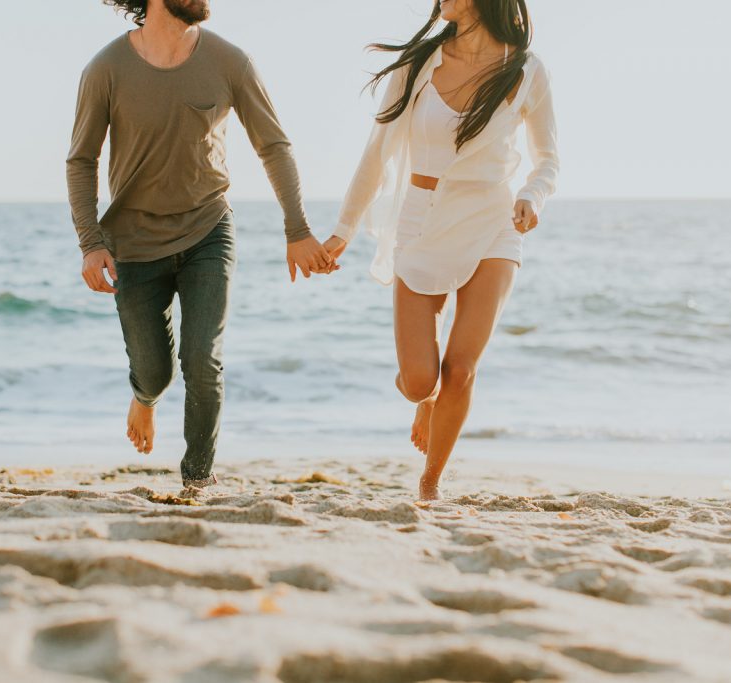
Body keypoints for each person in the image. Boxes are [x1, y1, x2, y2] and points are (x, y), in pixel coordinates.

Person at [66, 0, 335, 489]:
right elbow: (81, 159)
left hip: (209, 229)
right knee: (154, 374)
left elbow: (272, 145)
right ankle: (144, 398)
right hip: (134, 243)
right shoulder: (106, 68)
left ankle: (197, 481)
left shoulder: (231, 61)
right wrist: (90, 243)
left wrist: (297, 229)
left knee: (202, 358)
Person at [323, 0, 559, 500]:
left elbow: (548, 160)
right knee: (417, 380)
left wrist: (530, 196)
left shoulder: (525, 70)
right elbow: (377, 152)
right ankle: (423, 400)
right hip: (422, 220)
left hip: (493, 222)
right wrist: (342, 232)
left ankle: (430, 484)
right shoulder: (418, 64)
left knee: (460, 368)